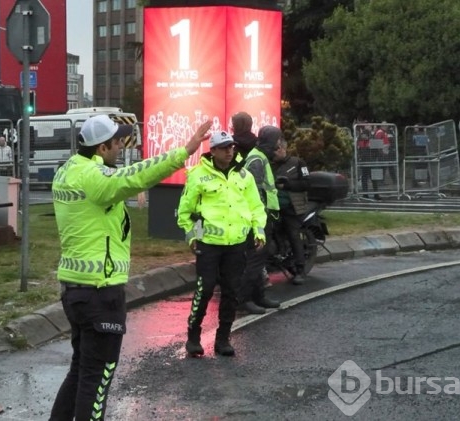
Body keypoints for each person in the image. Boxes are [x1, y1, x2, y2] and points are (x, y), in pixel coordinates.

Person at [49, 115, 212, 420]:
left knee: (81, 371)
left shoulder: (68, 170)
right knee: (97, 377)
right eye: (117, 141)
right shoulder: (96, 178)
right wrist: (185, 151)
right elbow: (138, 175)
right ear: (101, 148)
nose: (122, 145)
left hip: (75, 289)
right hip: (100, 292)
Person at [177, 130, 266, 357]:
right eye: (224, 148)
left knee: (231, 292)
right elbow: (186, 212)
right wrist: (193, 237)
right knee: (204, 289)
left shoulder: (244, 176)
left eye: (231, 147)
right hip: (208, 244)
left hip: (236, 244)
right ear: (213, 150)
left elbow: (256, 207)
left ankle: (223, 339)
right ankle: (193, 336)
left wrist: (259, 232)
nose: (229, 151)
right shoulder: (198, 175)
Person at [239, 126, 284, 314]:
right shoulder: (257, 158)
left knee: (260, 259)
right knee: (255, 259)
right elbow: (254, 191)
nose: (279, 144)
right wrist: (262, 213)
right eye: (277, 140)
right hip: (258, 218)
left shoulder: (260, 156)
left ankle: (259, 296)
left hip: (264, 216)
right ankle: (244, 300)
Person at [273, 138, 310, 285]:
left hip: (292, 207)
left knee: (293, 233)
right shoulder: (269, 164)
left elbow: (307, 183)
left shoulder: (298, 163)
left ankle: (300, 270)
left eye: (276, 149)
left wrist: (289, 185)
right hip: (273, 206)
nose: (274, 152)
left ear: (283, 148)